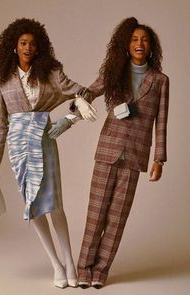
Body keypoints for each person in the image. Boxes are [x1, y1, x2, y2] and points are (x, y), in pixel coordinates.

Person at [0, 18, 96, 289]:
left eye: (33, 44)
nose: (28, 47)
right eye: (23, 43)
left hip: (45, 139)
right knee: (33, 206)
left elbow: (80, 91)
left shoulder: (51, 71)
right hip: (17, 145)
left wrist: (76, 107)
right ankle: (56, 265)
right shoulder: (2, 79)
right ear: (14, 46)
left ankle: (70, 262)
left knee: (54, 204)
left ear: (39, 48)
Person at [74, 17, 169, 288]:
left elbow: (161, 121)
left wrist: (159, 159)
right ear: (126, 45)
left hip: (136, 155)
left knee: (117, 219)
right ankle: (84, 268)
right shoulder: (114, 73)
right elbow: (87, 93)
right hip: (108, 150)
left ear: (151, 47)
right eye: (134, 39)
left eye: (145, 40)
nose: (139, 43)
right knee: (96, 213)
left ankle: (100, 272)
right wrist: (75, 108)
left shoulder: (161, 80)